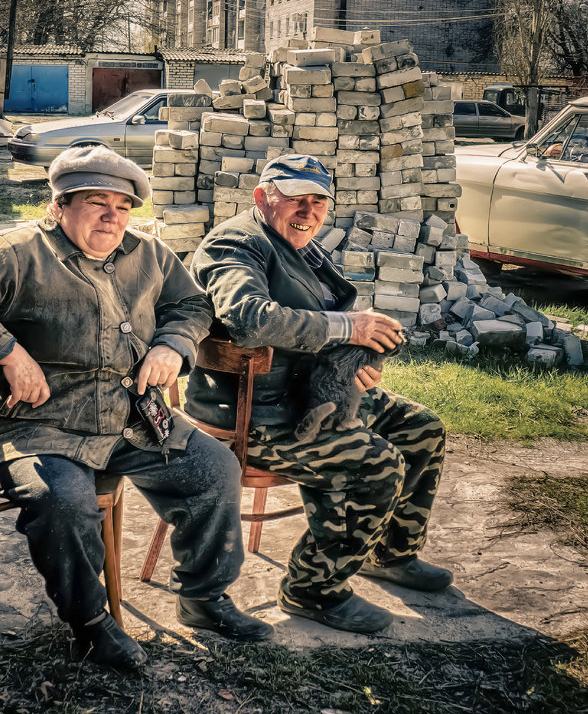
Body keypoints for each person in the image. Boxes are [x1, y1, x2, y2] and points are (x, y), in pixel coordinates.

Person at [0, 146, 272, 670]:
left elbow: (191, 305)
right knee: (64, 501)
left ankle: (204, 599)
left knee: (214, 469)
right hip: (31, 425)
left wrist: (173, 344)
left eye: (122, 207)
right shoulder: (13, 252)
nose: (112, 217)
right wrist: (5, 351)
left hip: (127, 418)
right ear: (59, 206)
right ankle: (92, 623)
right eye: (97, 202)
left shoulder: (149, 254)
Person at [185, 154, 453, 635]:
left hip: (302, 395)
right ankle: (313, 591)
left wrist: (353, 362)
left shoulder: (296, 244)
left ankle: (389, 553)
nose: (308, 211)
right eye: (294, 199)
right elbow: (249, 318)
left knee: (421, 428)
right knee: (377, 464)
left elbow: (320, 319)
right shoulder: (236, 244)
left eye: (317, 201)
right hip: (256, 415)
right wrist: (350, 328)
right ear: (263, 198)